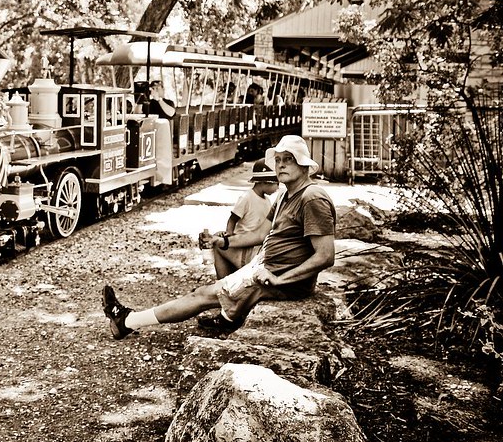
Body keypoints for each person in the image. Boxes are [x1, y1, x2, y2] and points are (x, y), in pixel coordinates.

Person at [102, 134, 336, 338]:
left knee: (202, 295)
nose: (281, 165)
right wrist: (223, 241)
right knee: (207, 287)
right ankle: (228, 310)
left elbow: (325, 256)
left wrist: (280, 279)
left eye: (289, 159)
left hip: (282, 281)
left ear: (304, 165)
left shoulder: (311, 198)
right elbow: (260, 234)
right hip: (265, 269)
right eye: (278, 159)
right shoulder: (285, 195)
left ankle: (126, 321)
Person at [204, 160, 280, 279]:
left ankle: (225, 279)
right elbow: (233, 218)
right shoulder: (247, 197)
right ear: (265, 182)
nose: (278, 188)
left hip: (255, 243)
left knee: (218, 244)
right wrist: (229, 233)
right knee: (219, 242)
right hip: (243, 241)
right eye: (276, 184)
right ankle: (223, 280)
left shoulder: (267, 201)